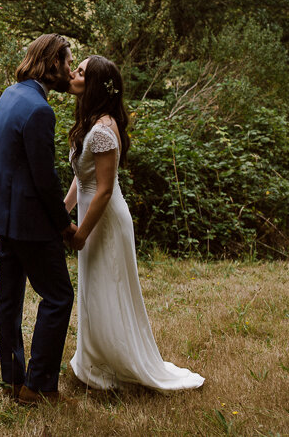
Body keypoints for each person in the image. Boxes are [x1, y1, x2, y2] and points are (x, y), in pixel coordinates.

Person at [65, 55, 205, 392]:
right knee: (94, 290)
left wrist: (81, 233)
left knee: (108, 289)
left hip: (105, 220)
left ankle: (117, 364)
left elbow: (103, 189)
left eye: (81, 71)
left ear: (95, 83)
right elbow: (80, 178)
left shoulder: (102, 130)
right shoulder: (90, 122)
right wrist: (63, 210)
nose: (73, 74)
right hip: (90, 213)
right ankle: (96, 361)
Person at [0, 34, 78, 405]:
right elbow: (44, 178)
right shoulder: (40, 110)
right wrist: (63, 224)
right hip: (31, 223)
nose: (71, 70)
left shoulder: (10, 94)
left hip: (3, 217)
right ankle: (39, 387)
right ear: (53, 63)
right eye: (69, 62)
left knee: (9, 298)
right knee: (58, 297)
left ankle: (12, 381)